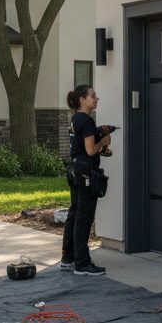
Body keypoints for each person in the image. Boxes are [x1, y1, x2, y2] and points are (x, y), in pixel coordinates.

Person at [62, 84, 111, 276]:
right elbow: (91, 150)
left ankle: (68, 257)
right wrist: (103, 141)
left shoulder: (75, 119)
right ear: (82, 99)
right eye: (93, 96)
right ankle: (82, 263)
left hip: (75, 169)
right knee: (84, 216)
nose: (96, 98)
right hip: (86, 171)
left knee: (74, 212)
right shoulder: (87, 120)